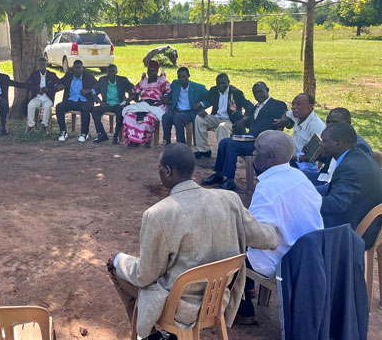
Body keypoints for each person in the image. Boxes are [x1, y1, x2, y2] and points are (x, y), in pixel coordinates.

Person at [108, 143, 278, 339]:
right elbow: (266, 238)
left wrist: (119, 259)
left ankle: (151, 336)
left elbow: (145, 275)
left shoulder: (157, 215)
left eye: (160, 168)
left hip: (179, 308)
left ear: (168, 171)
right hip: (217, 300)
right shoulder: (229, 200)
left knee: (117, 268)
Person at [238, 130, 323, 324]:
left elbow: (255, 235)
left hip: (283, 260)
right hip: (308, 254)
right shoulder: (299, 176)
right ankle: (248, 286)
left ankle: (243, 308)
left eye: (256, 150)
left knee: (229, 245)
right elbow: (317, 203)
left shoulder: (267, 189)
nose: (253, 154)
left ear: (269, 157)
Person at [201, 82, 287, 190]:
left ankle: (230, 180)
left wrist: (285, 120)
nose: (258, 95)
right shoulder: (255, 107)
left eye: (260, 92)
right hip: (250, 139)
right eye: (255, 93)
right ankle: (218, 175)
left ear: (267, 90)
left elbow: (287, 118)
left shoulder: (277, 104)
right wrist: (235, 112)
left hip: (263, 142)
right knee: (224, 142)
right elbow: (247, 123)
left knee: (232, 145)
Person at [319, 123, 382, 250]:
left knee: (298, 229)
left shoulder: (349, 168)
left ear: (338, 143)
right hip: (366, 222)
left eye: (324, 141)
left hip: (356, 231)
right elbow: (331, 189)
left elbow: (336, 204)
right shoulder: (357, 156)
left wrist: (304, 201)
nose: (320, 144)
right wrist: (306, 190)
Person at [312, 108, 373, 192]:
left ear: (348, 124)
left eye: (335, 122)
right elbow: (333, 161)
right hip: (324, 176)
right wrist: (317, 155)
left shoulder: (360, 146)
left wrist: (309, 192)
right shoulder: (334, 139)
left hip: (336, 185)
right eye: (328, 122)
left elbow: (355, 180)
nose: (330, 126)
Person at [193, 73, 249, 158]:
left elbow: (248, 106)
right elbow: (205, 99)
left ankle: (222, 156)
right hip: (216, 117)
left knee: (221, 127)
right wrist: (202, 109)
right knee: (199, 118)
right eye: (218, 83)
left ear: (228, 82)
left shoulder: (236, 93)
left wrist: (244, 119)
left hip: (229, 120)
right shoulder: (214, 91)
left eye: (223, 83)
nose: (221, 86)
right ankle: (204, 150)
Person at [273, 93, 326, 174]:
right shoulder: (297, 116)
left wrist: (291, 158)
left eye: (299, 104)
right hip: (292, 160)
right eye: (293, 104)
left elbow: (316, 156)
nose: (294, 107)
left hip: (306, 167)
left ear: (310, 106)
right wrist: (282, 125)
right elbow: (286, 113)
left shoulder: (317, 126)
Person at [121, 60, 170, 148]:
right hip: (143, 104)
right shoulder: (144, 81)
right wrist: (127, 100)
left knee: (148, 118)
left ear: (157, 71)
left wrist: (159, 102)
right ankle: (133, 140)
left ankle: (147, 140)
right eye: (149, 71)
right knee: (129, 115)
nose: (150, 73)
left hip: (156, 105)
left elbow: (167, 94)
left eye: (152, 71)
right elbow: (134, 92)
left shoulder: (161, 80)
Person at [162, 67, 208, 145]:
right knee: (166, 116)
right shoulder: (175, 84)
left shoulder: (197, 87)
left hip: (190, 112)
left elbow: (210, 97)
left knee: (178, 118)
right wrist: (166, 95)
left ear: (188, 76)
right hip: (176, 110)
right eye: (179, 77)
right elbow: (167, 91)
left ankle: (181, 143)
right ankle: (167, 142)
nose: (181, 79)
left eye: (183, 76)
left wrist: (201, 104)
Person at [54, 60, 97, 142]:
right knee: (59, 107)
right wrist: (58, 86)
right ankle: (63, 132)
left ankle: (84, 133)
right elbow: (57, 83)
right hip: (71, 100)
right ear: (73, 69)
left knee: (85, 109)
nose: (78, 70)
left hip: (84, 101)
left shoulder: (89, 77)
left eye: (79, 68)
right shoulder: (68, 76)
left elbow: (98, 88)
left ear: (82, 68)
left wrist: (88, 91)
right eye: (76, 68)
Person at [91, 64, 133, 144]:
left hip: (119, 104)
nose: (110, 74)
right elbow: (93, 90)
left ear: (116, 72)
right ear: (106, 72)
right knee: (94, 110)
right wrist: (99, 101)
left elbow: (133, 89)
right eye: (109, 72)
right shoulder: (102, 80)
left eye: (113, 71)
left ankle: (116, 135)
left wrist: (128, 100)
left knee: (121, 111)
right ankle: (102, 134)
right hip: (106, 104)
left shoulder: (122, 80)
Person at [24, 58, 59, 134]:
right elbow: (27, 84)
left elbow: (58, 85)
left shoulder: (51, 75)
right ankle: (31, 126)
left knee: (47, 106)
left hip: (47, 97)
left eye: (43, 64)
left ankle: (44, 126)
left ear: (46, 65)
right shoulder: (34, 74)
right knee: (30, 105)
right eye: (40, 64)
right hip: (37, 97)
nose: (42, 66)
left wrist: (48, 90)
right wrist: (37, 89)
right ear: (38, 65)